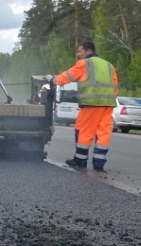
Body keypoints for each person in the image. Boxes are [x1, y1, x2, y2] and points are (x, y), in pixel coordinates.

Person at [48, 41, 118, 172]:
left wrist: (52, 79)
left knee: (83, 131)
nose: (78, 54)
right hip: (108, 105)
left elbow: (66, 77)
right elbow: (115, 86)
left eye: (80, 51)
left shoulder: (84, 64)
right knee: (103, 134)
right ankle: (99, 163)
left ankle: (80, 160)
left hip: (91, 104)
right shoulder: (109, 65)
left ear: (89, 51)